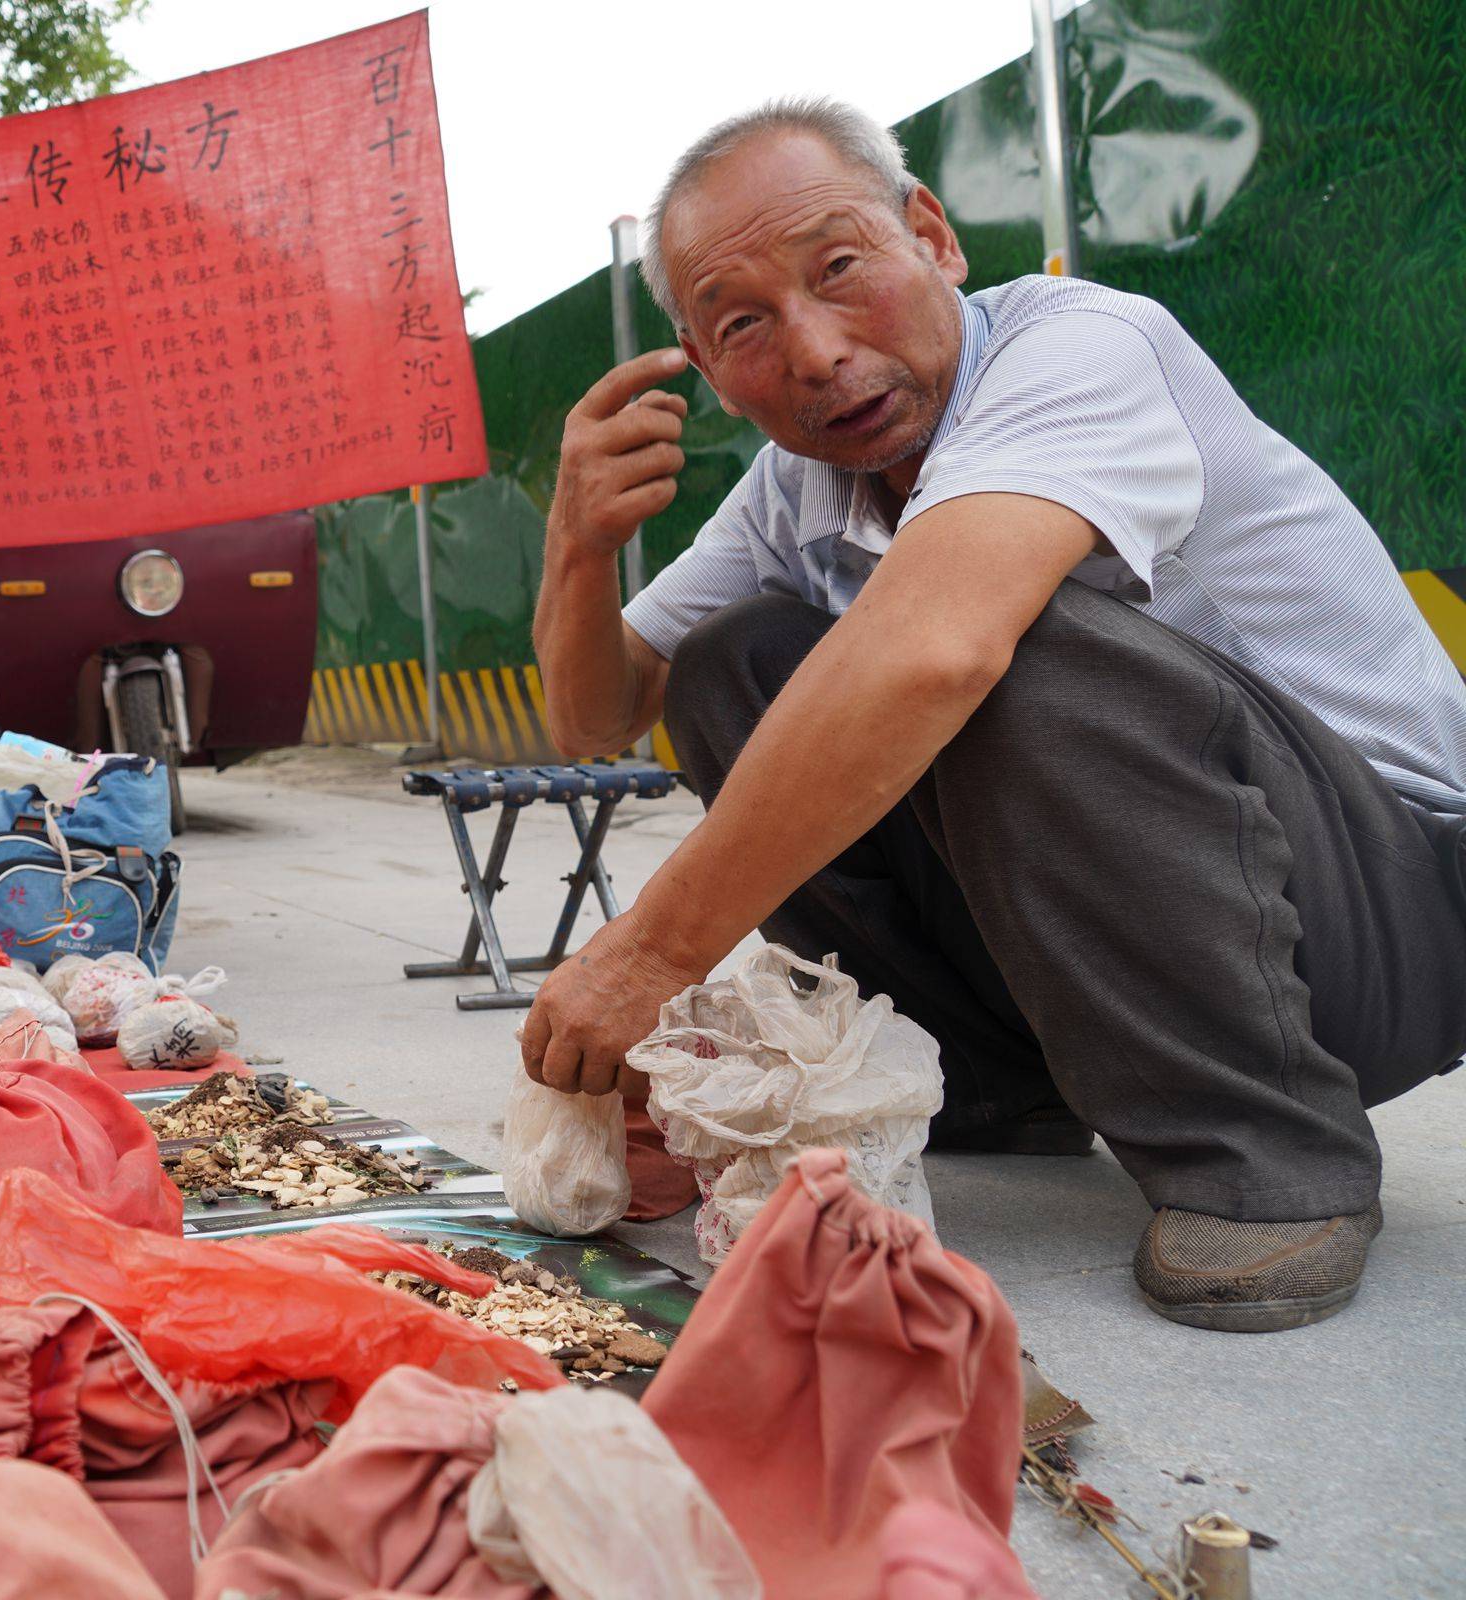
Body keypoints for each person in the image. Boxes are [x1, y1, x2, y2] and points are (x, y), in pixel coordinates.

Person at [526, 98, 1466, 1332]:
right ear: (707, 368)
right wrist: (577, 543)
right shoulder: (795, 480)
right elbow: (602, 713)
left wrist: (650, 952)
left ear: (935, 236)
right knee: (732, 661)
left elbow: (938, 647)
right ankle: (991, 1082)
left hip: (1388, 913)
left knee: (990, 641)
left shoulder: (1083, 348)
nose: (812, 353)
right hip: (1166, 917)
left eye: (841, 269)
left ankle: (1270, 1151)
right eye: (745, 322)